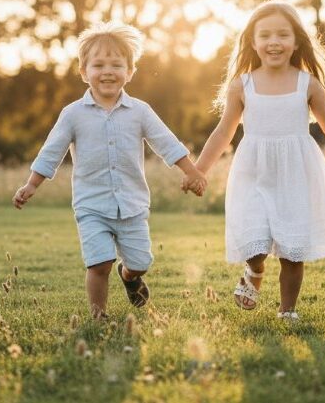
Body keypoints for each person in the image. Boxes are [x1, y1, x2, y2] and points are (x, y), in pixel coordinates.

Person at [185, 0, 325, 320]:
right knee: (255, 242)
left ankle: (287, 310)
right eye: (265, 35)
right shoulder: (242, 86)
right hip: (253, 171)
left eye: (282, 35)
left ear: (296, 41)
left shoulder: (307, 83)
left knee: (292, 250)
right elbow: (223, 132)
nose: (274, 42)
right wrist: (199, 170)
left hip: (295, 173)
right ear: (253, 41)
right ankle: (254, 270)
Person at [14, 21, 206, 319]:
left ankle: (129, 276)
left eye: (116, 64)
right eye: (98, 64)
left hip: (131, 203)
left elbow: (165, 142)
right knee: (99, 263)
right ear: (83, 72)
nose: (107, 71)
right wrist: (31, 185)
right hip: (91, 204)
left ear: (130, 72)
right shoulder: (73, 114)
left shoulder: (140, 111)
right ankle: (98, 315)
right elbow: (51, 151)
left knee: (141, 261)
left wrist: (191, 171)